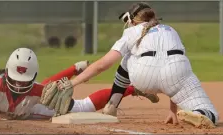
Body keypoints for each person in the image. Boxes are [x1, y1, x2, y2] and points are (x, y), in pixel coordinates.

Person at [46, 2, 219, 128]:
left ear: (132, 20)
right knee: (208, 111)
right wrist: (173, 110)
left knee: (127, 58)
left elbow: (102, 65)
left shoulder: (132, 31)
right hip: (176, 73)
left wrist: (72, 83)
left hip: (143, 76)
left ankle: (111, 106)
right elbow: (170, 67)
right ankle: (201, 114)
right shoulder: (170, 29)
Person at [0, 48, 158, 122]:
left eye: (23, 80)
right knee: (45, 89)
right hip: (24, 108)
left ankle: (131, 88)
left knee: (81, 106)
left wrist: (73, 73)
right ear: (6, 72)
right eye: (15, 78)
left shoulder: (36, 91)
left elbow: (48, 85)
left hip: (34, 111)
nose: (18, 84)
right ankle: (76, 67)